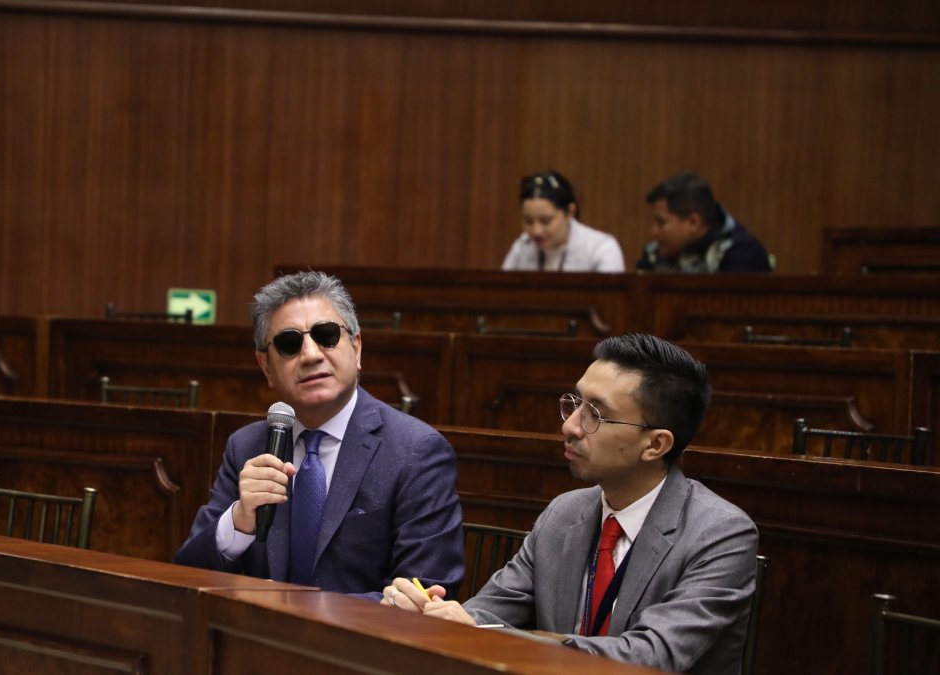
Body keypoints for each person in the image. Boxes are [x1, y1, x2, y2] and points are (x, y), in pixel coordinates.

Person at [381, 333, 759, 675]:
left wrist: (488, 635)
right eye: (575, 403)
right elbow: (490, 611)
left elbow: (650, 655)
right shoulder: (565, 514)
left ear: (655, 445)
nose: (570, 426)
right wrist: (436, 615)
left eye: (595, 414)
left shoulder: (720, 534)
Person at [173, 271, 465, 601]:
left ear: (356, 349)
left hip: (357, 649)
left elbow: (426, 590)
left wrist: (299, 609)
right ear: (266, 367)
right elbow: (186, 574)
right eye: (289, 344)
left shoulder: (416, 451)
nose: (311, 355)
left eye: (326, 336)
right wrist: (239, 521)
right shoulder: (247, 446)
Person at [637, 172, 773, 273]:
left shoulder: (742, 255)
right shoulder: (654, 254)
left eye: (661, 223)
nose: (653, 231)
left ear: (693, 222)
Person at [501, 170, 625, 273]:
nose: (536, 231)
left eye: (545, 221)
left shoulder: (601, 248)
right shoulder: (523, 244)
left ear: (570, 212)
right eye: (528, 221)